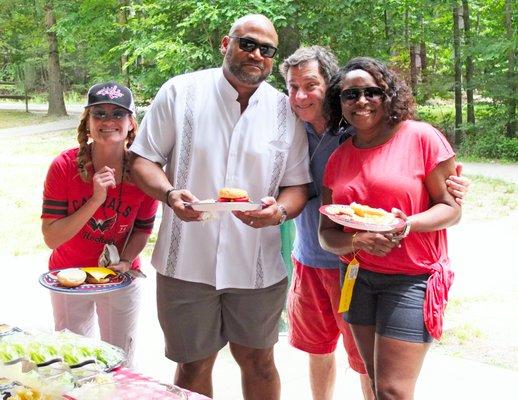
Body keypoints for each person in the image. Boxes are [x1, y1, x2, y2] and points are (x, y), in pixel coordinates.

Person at [129, 14, 311, 399]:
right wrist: (168, 193)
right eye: (247, 44)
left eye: (266, 50)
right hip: (186, 262)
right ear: (225, 44)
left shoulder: (285, 112)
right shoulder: (180, 92)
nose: (256, 55)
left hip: (257, 266)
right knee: (193, 363)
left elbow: (297, 186)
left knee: (259, 361)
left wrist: (277, 212)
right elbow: (142, 159)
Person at [280, 48, 469, 400]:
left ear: (388, 94)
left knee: (394, 390)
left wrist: (405, 224)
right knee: (374, 380)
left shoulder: (421, 137)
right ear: (340, 102)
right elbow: (329, 233)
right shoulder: (340, 155)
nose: (361, 101)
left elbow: (451, 209)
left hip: (412, 278)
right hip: (358, 277)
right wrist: (357, 242)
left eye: (372, 92)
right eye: (350, 94)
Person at [41, 82, 159, 367]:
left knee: (119, 362)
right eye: (99, 114)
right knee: (74, 361)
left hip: (119, 277)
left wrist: (127, 259)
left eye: (118, 114)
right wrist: (95, 200)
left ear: (131, 123)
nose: (108, 121)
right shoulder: (64, 166)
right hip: (68, 275)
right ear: (88, 123)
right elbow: (51, 238)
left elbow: (142, 229)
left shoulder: (143, 171)